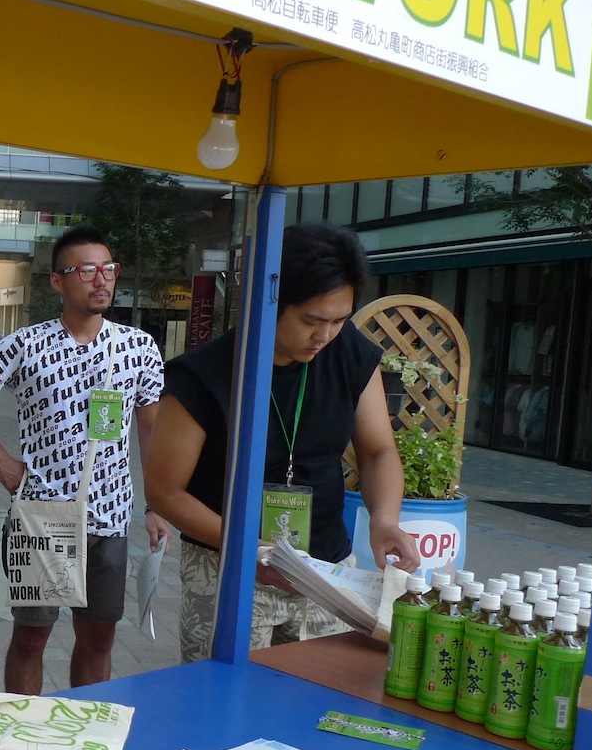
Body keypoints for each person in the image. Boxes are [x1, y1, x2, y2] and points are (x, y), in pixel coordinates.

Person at [144, 221, 422, 663]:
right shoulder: (201, 375)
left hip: (327, 573)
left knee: (321, 693)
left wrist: (384, 520)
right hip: (229, 567)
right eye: (311, 320)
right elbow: (165, 490)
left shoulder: (347, 352)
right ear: (268, 300)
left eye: (339, 320)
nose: (324, 336)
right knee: (227, 695)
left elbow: (378, 451)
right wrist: (245, 546)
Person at [0, 225, 167, 694]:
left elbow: (150, 430)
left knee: (99, 639)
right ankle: (21, 725)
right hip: (41, 516)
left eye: (108, 269)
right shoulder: (26, 344)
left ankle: (84, 724)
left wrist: (156, 505)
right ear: (57, 281)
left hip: (110, 517)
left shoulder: (138, 348)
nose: (101, 280)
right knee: (32, 637)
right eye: (86, 271)